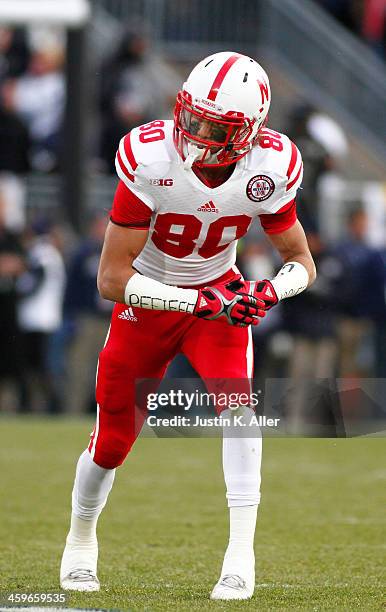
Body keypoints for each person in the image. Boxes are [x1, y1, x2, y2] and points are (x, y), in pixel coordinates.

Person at [60, 51, 316, 601]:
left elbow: (301, 262)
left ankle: (239, 555)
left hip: (216, 295)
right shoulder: (150, 156)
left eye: (212, 126)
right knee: (112, 441)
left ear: (247, 132)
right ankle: (81, 535)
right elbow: (111, 278)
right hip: (147, 297)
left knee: (240, 411)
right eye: (191, 115)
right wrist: (188, 301)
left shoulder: (270, 168)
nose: (193, 131)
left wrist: (266, 291)